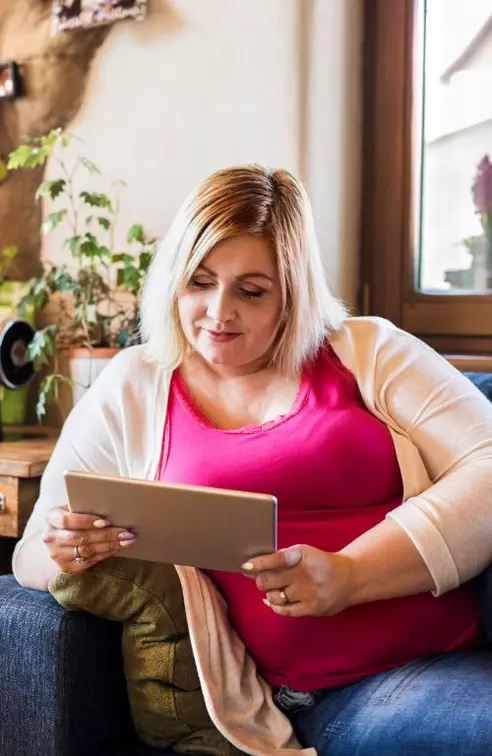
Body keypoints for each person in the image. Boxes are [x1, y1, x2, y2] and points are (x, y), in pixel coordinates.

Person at [13, 165, 492, 756]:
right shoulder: (132, 385)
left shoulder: (370, 350)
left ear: (293, 293)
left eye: (251, 290)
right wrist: (69, 546)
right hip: (292, 700)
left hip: (425, 665)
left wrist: (351, 574)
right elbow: (31, 553)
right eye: (200, 282)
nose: (218, 312)